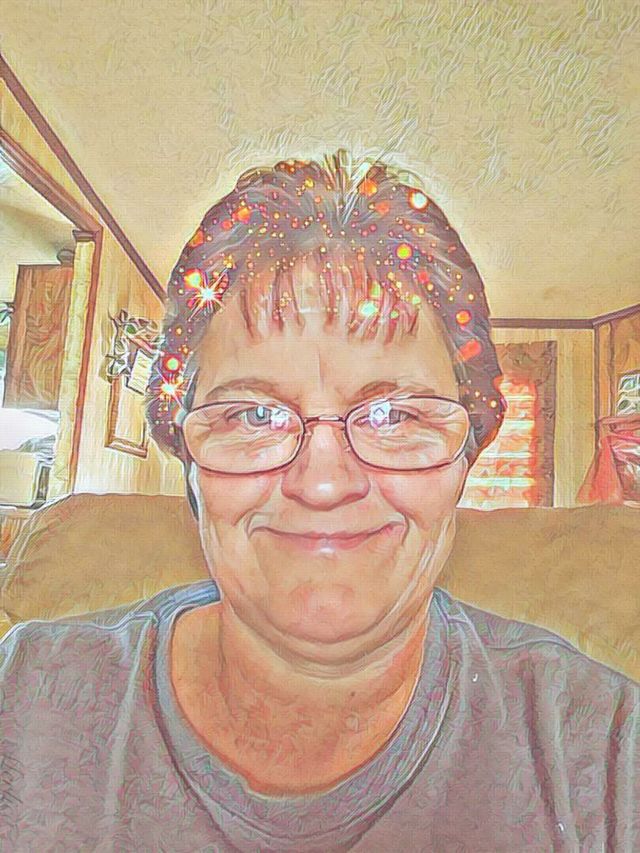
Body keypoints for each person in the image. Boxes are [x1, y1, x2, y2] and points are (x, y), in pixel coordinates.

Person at [0, 151, 637, 852]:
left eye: (393, 414)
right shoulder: (25, 697)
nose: (324, 483)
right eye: (255, 414)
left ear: (464, 457)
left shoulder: (605, 751)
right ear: (188, 458)